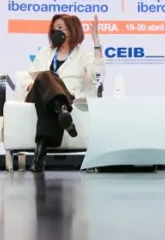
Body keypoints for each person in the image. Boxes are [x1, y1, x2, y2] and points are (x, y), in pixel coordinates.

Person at [25, 13, 105, 173]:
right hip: (39, 94)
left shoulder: (83, 55)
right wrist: (29, 85)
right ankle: (61, 110)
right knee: (46, 75)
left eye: (60, 28)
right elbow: (29, 77)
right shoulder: (44, 53)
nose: (56, 32)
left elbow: (98, 74)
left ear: (72, 31)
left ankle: (38, 157)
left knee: (49, 103)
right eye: (54, 29)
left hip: (65, 96)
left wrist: (96, 42)